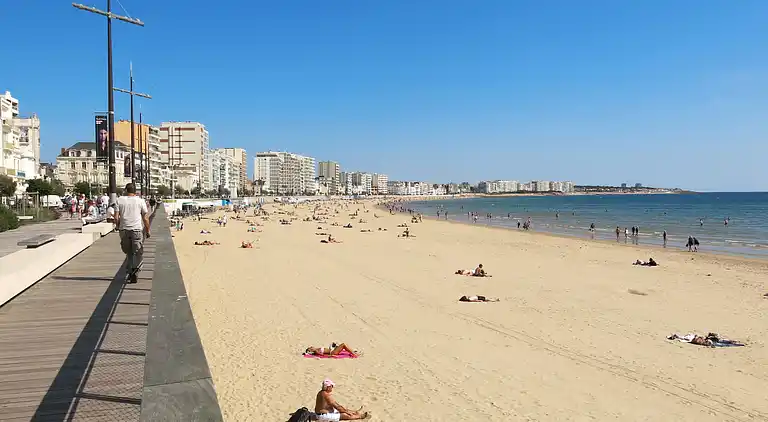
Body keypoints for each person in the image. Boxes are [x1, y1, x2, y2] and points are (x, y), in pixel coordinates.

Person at [114, 183, 150, 284]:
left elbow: (116, 217)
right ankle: (135, 270)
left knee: (129, 252)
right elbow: (145, 217)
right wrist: (148, 230)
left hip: (124, 229)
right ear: (135, 191)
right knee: (138, 251)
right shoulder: (140, 201)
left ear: (126, 190)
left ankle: (130, 271)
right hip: (137, 229)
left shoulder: (119, 200)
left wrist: (117, 226)